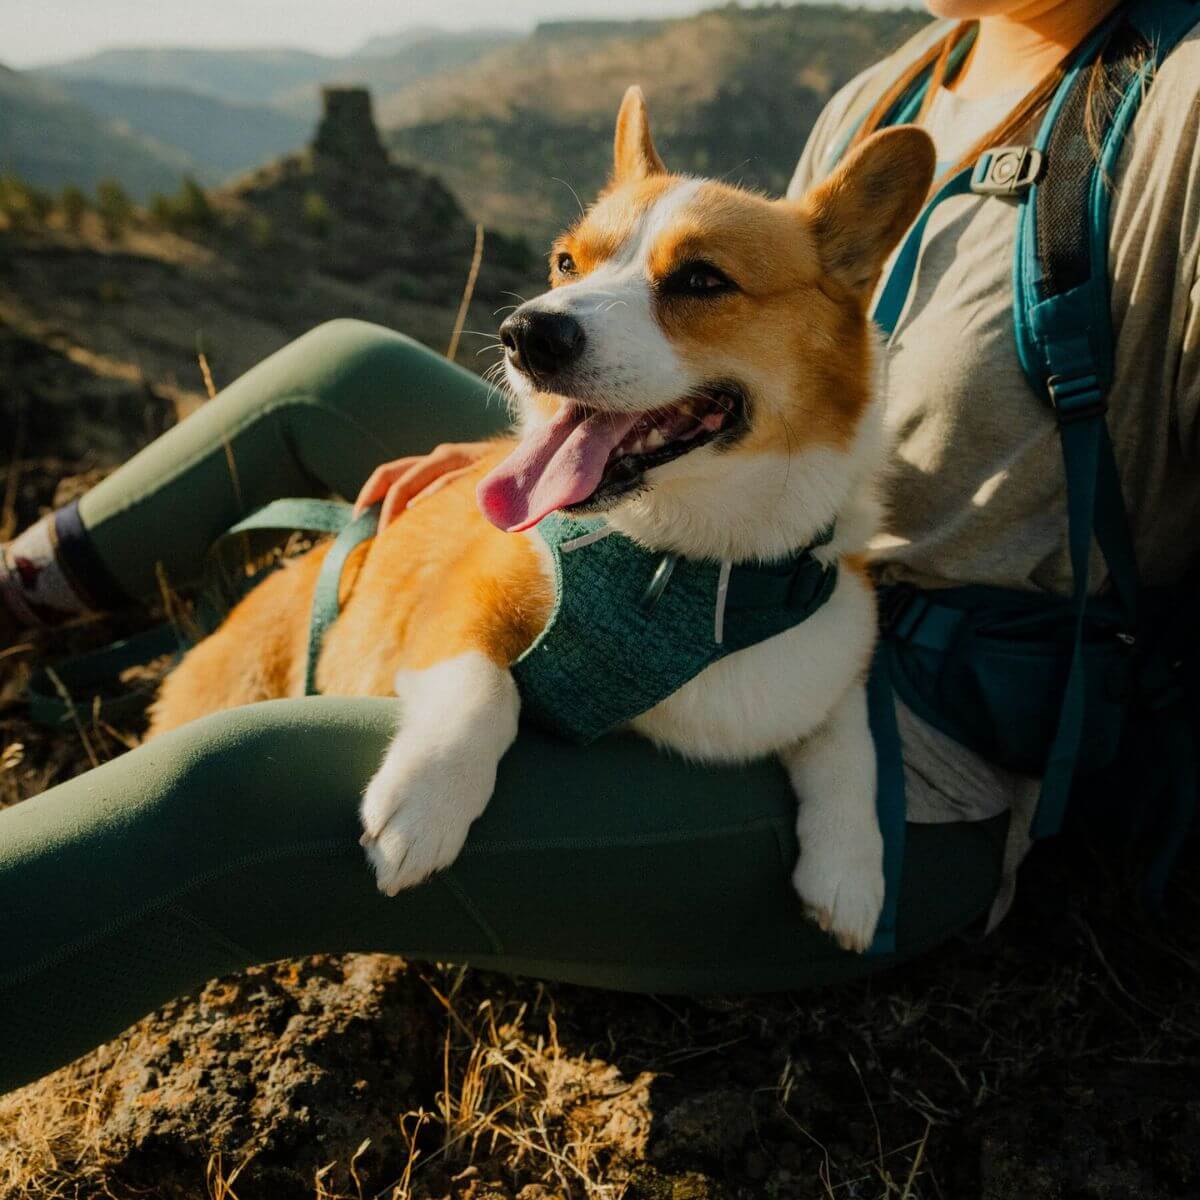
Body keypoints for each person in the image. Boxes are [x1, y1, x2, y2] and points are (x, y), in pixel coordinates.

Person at [1, 0, 1196, 1095]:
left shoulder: (1179, 103)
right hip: (727, 536)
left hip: (916, 729)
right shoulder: (902, 81)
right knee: (343, 372)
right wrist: (514, 461)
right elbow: (710, 371)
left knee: (236, 798)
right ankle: (28, 605)